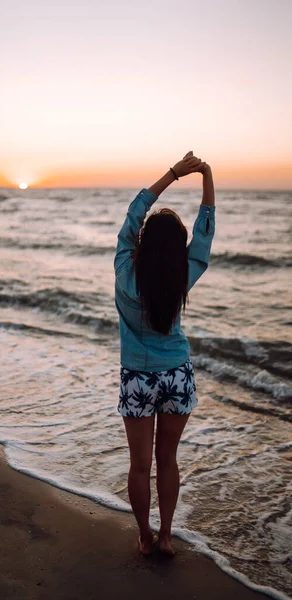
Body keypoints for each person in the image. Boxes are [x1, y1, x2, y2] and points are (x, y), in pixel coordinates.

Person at [114, 151, 215, 557]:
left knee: (140, 465)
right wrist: (206, 174)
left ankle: (144, 536)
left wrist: (173, 174)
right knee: (167, 461)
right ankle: (168, 536)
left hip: (138, 377)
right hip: (176, 374)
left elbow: (134, 213)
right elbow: (205, 231)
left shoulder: (125, 270)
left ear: (143, 241)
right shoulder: (183, 274)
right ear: (177, 248)